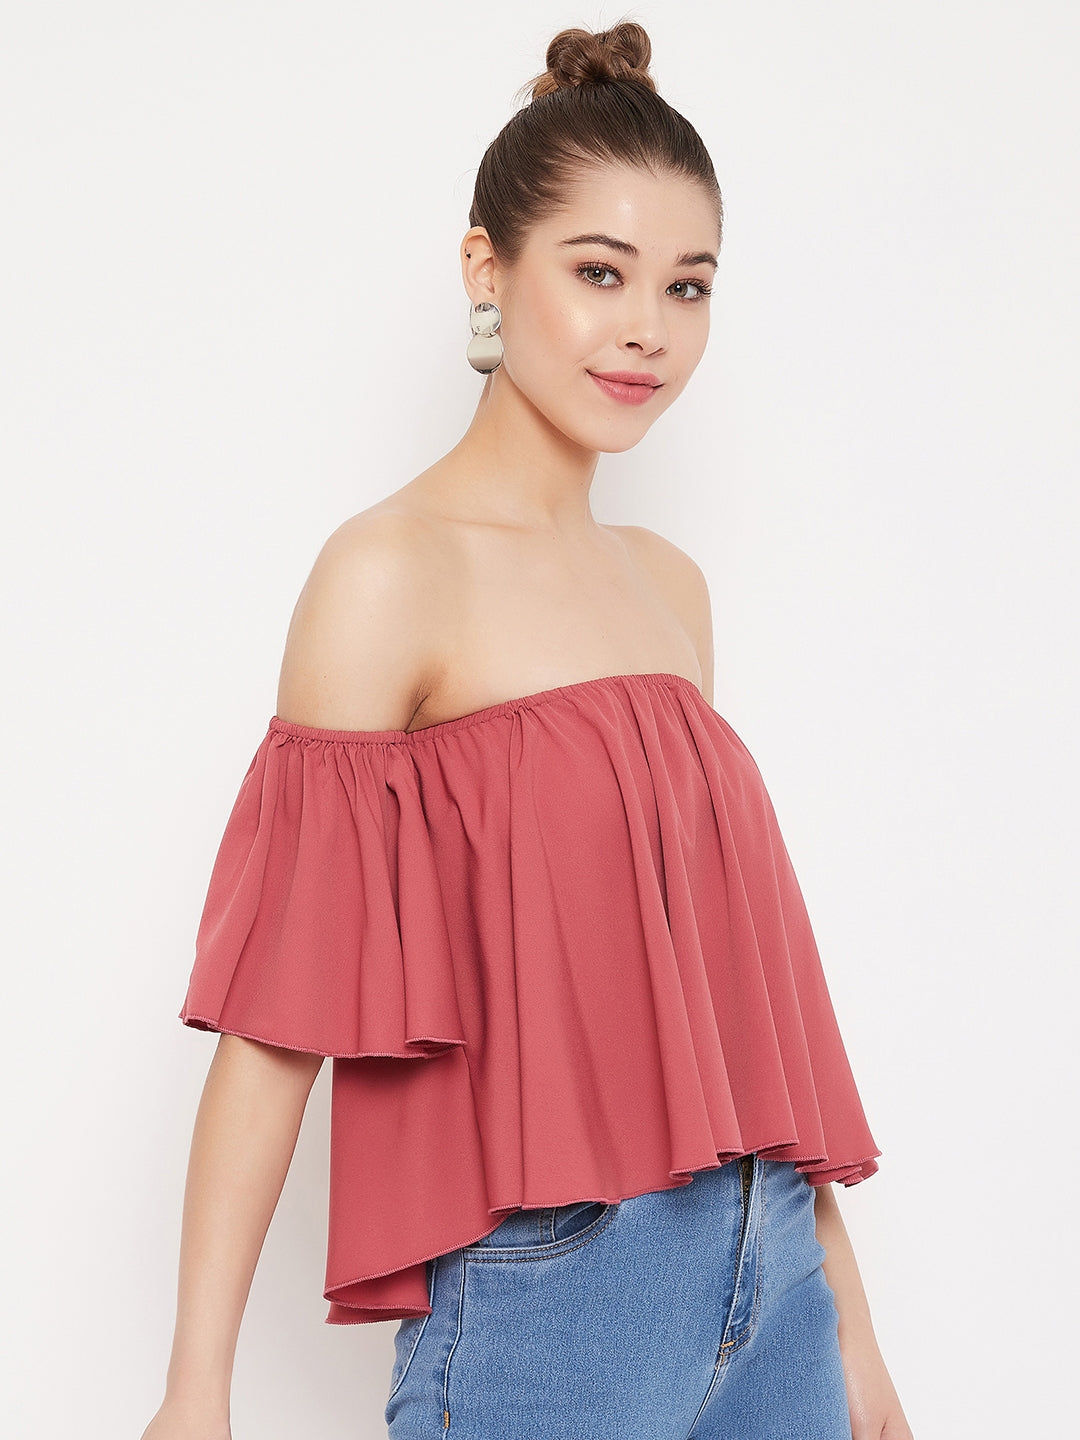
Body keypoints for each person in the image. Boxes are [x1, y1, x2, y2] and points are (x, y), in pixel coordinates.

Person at [142, 21, 914, 1440]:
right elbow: (276, 1024)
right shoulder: (389, 574)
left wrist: (851, 1330)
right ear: (487, 271)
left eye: (688, 286)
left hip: (776, 1281)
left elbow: (729, 1014)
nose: (650, 328)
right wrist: (197, 1385)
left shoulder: (671, 590)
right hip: (555, 1302)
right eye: (600, 272)